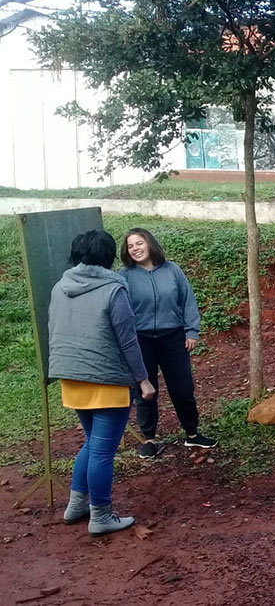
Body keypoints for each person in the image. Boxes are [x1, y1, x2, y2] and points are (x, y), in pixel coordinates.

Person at [48, 230, 156, 536]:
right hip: (107, 379)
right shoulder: (113, 289)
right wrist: (143, 380)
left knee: (92, 442)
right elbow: (128, 341)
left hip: (72, 377)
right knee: (101, 452)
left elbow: (53, 328)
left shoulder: (61, 287)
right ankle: (101, 515)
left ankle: (76, 505)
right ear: (108, 256)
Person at [120, 228, 217, 458]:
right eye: (130, 245)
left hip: (173, 337)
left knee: (183, 388)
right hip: (140, 340)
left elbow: (188, 300)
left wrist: (192, 331)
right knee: (145, 390)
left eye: (139, 243)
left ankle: (193, 434)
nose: (135, 248)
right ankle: (149, 439)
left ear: (150, 243)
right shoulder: (123, 276)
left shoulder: (172, 270)